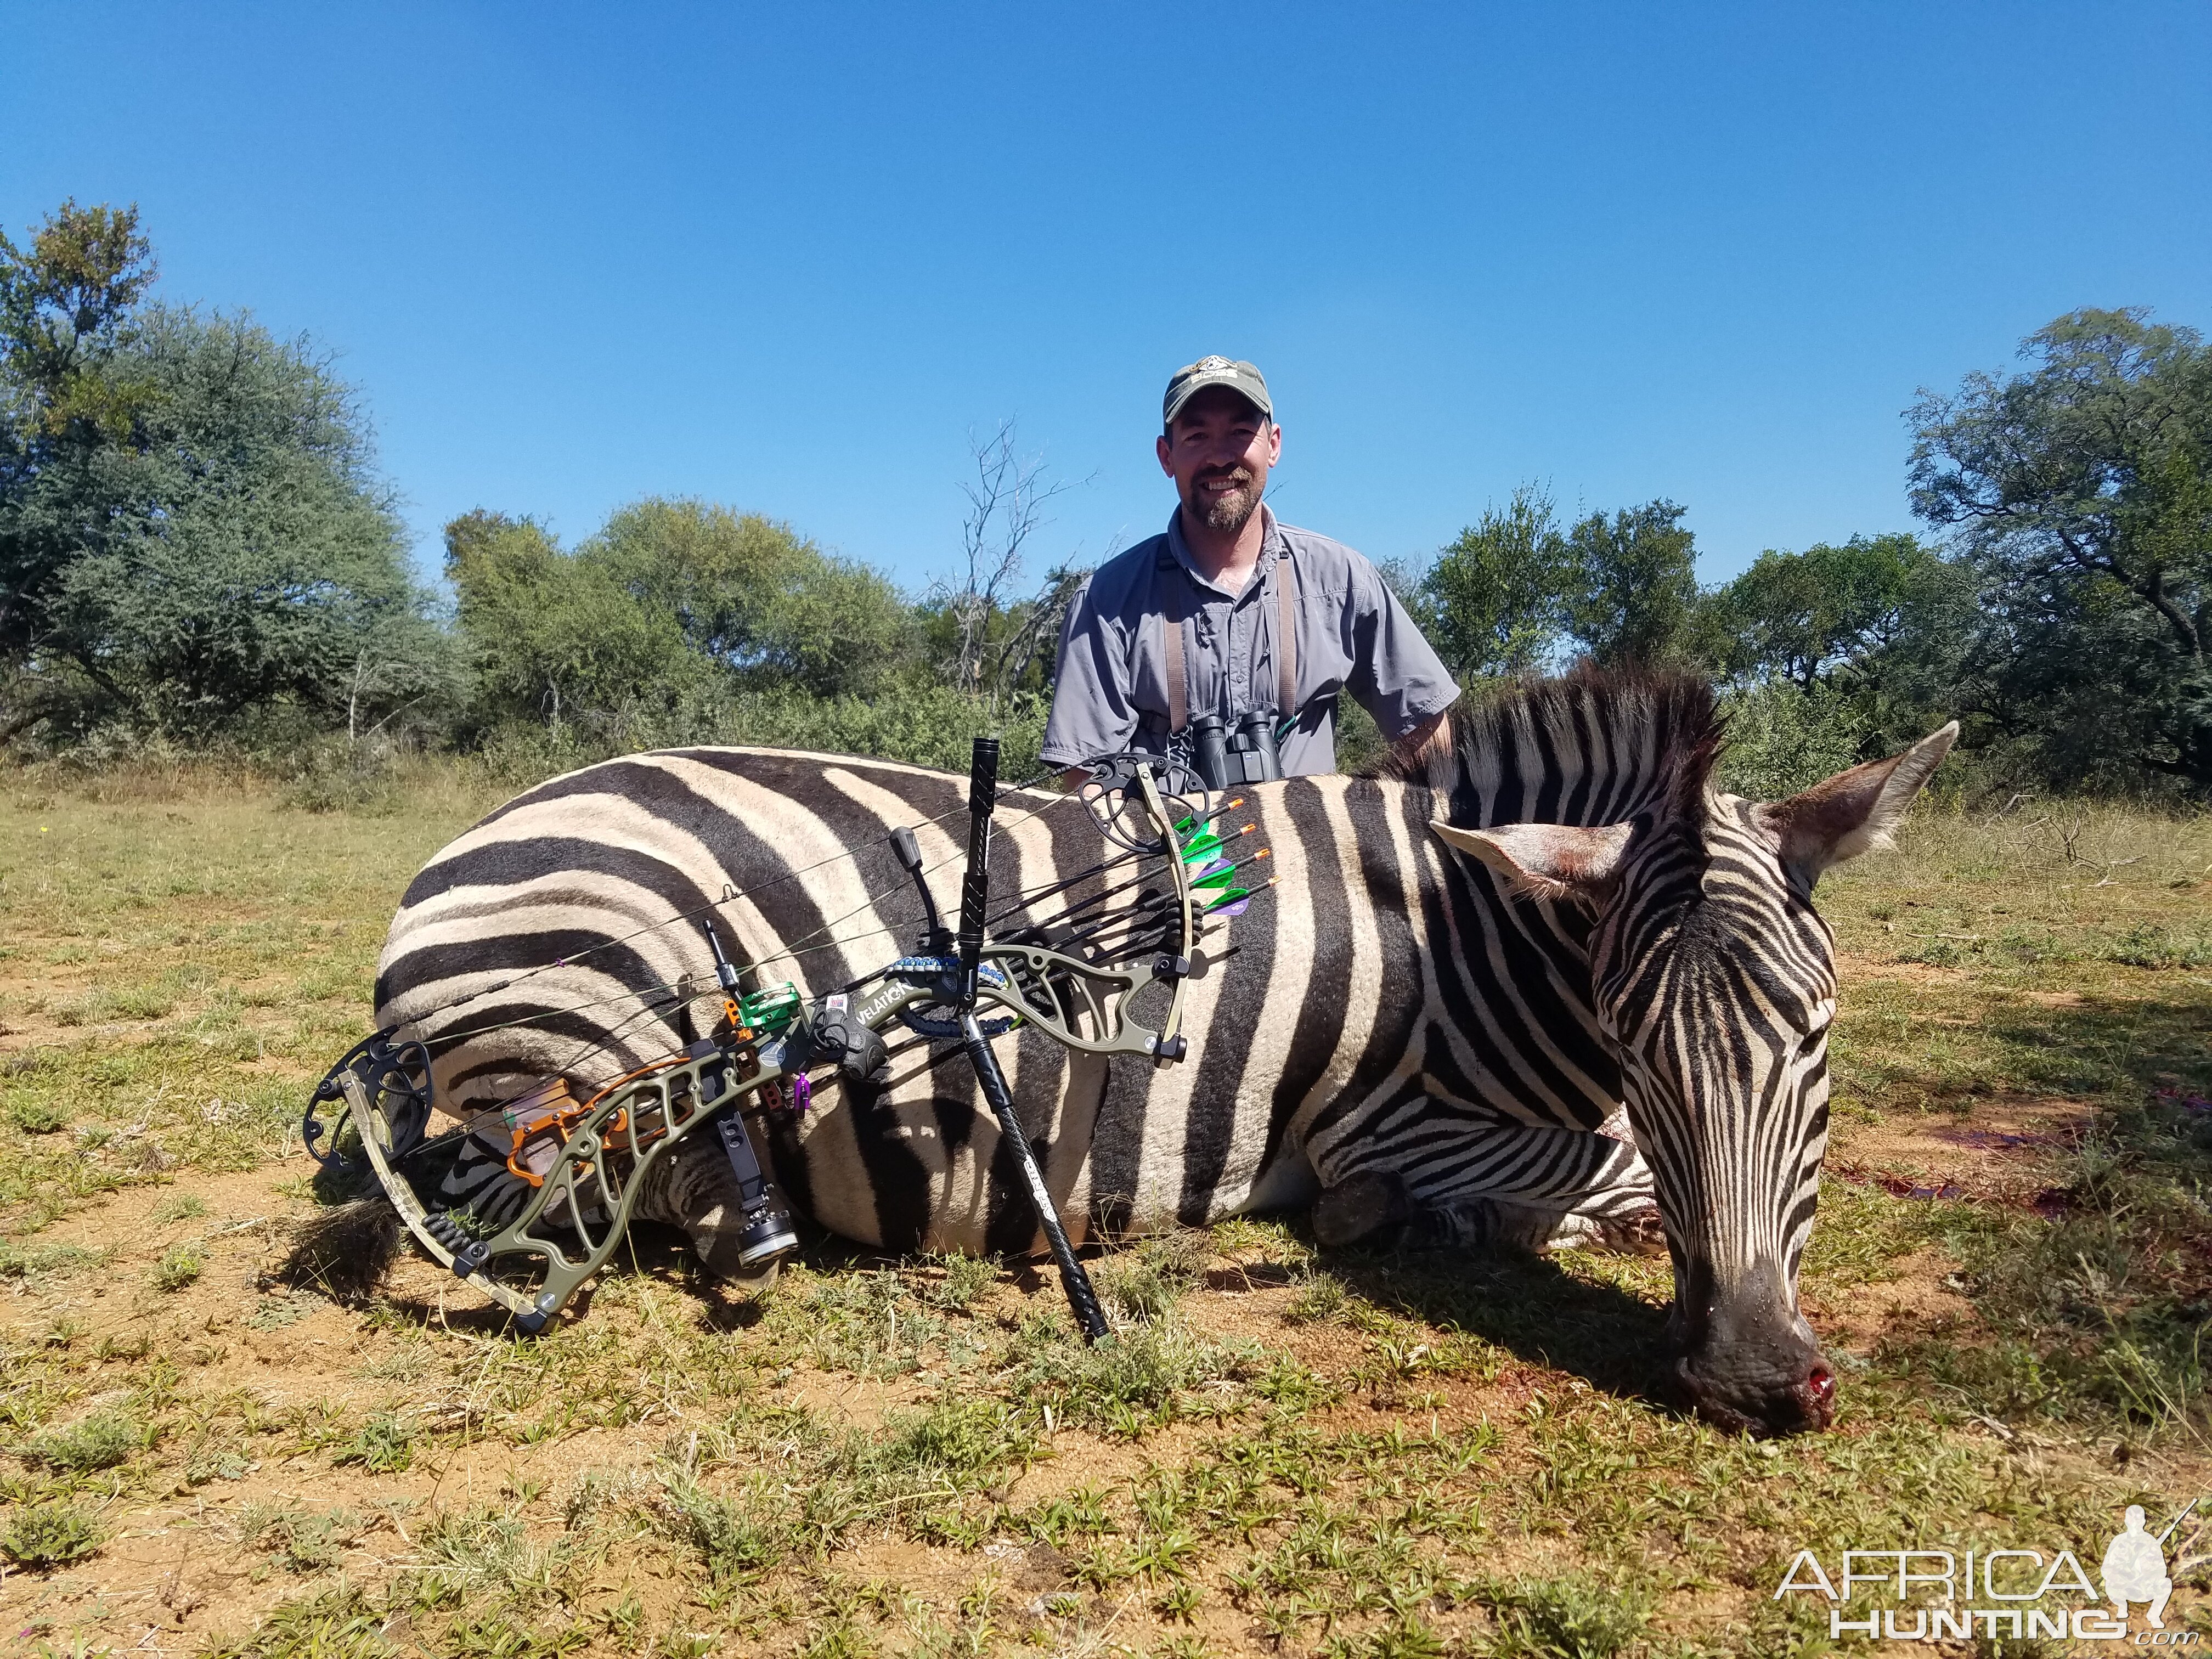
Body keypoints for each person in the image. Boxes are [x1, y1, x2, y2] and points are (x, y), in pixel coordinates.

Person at [1040, 356, 1458, 788]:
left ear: (1273, 445)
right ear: (1167, 457)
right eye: (1197, 436)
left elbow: (1429, 732)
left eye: (1241, 433)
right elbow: (1085, 783)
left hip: (1315, 849)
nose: (1221, 457)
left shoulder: (1345, 580)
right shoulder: (1106, 602)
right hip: (1167, 851)